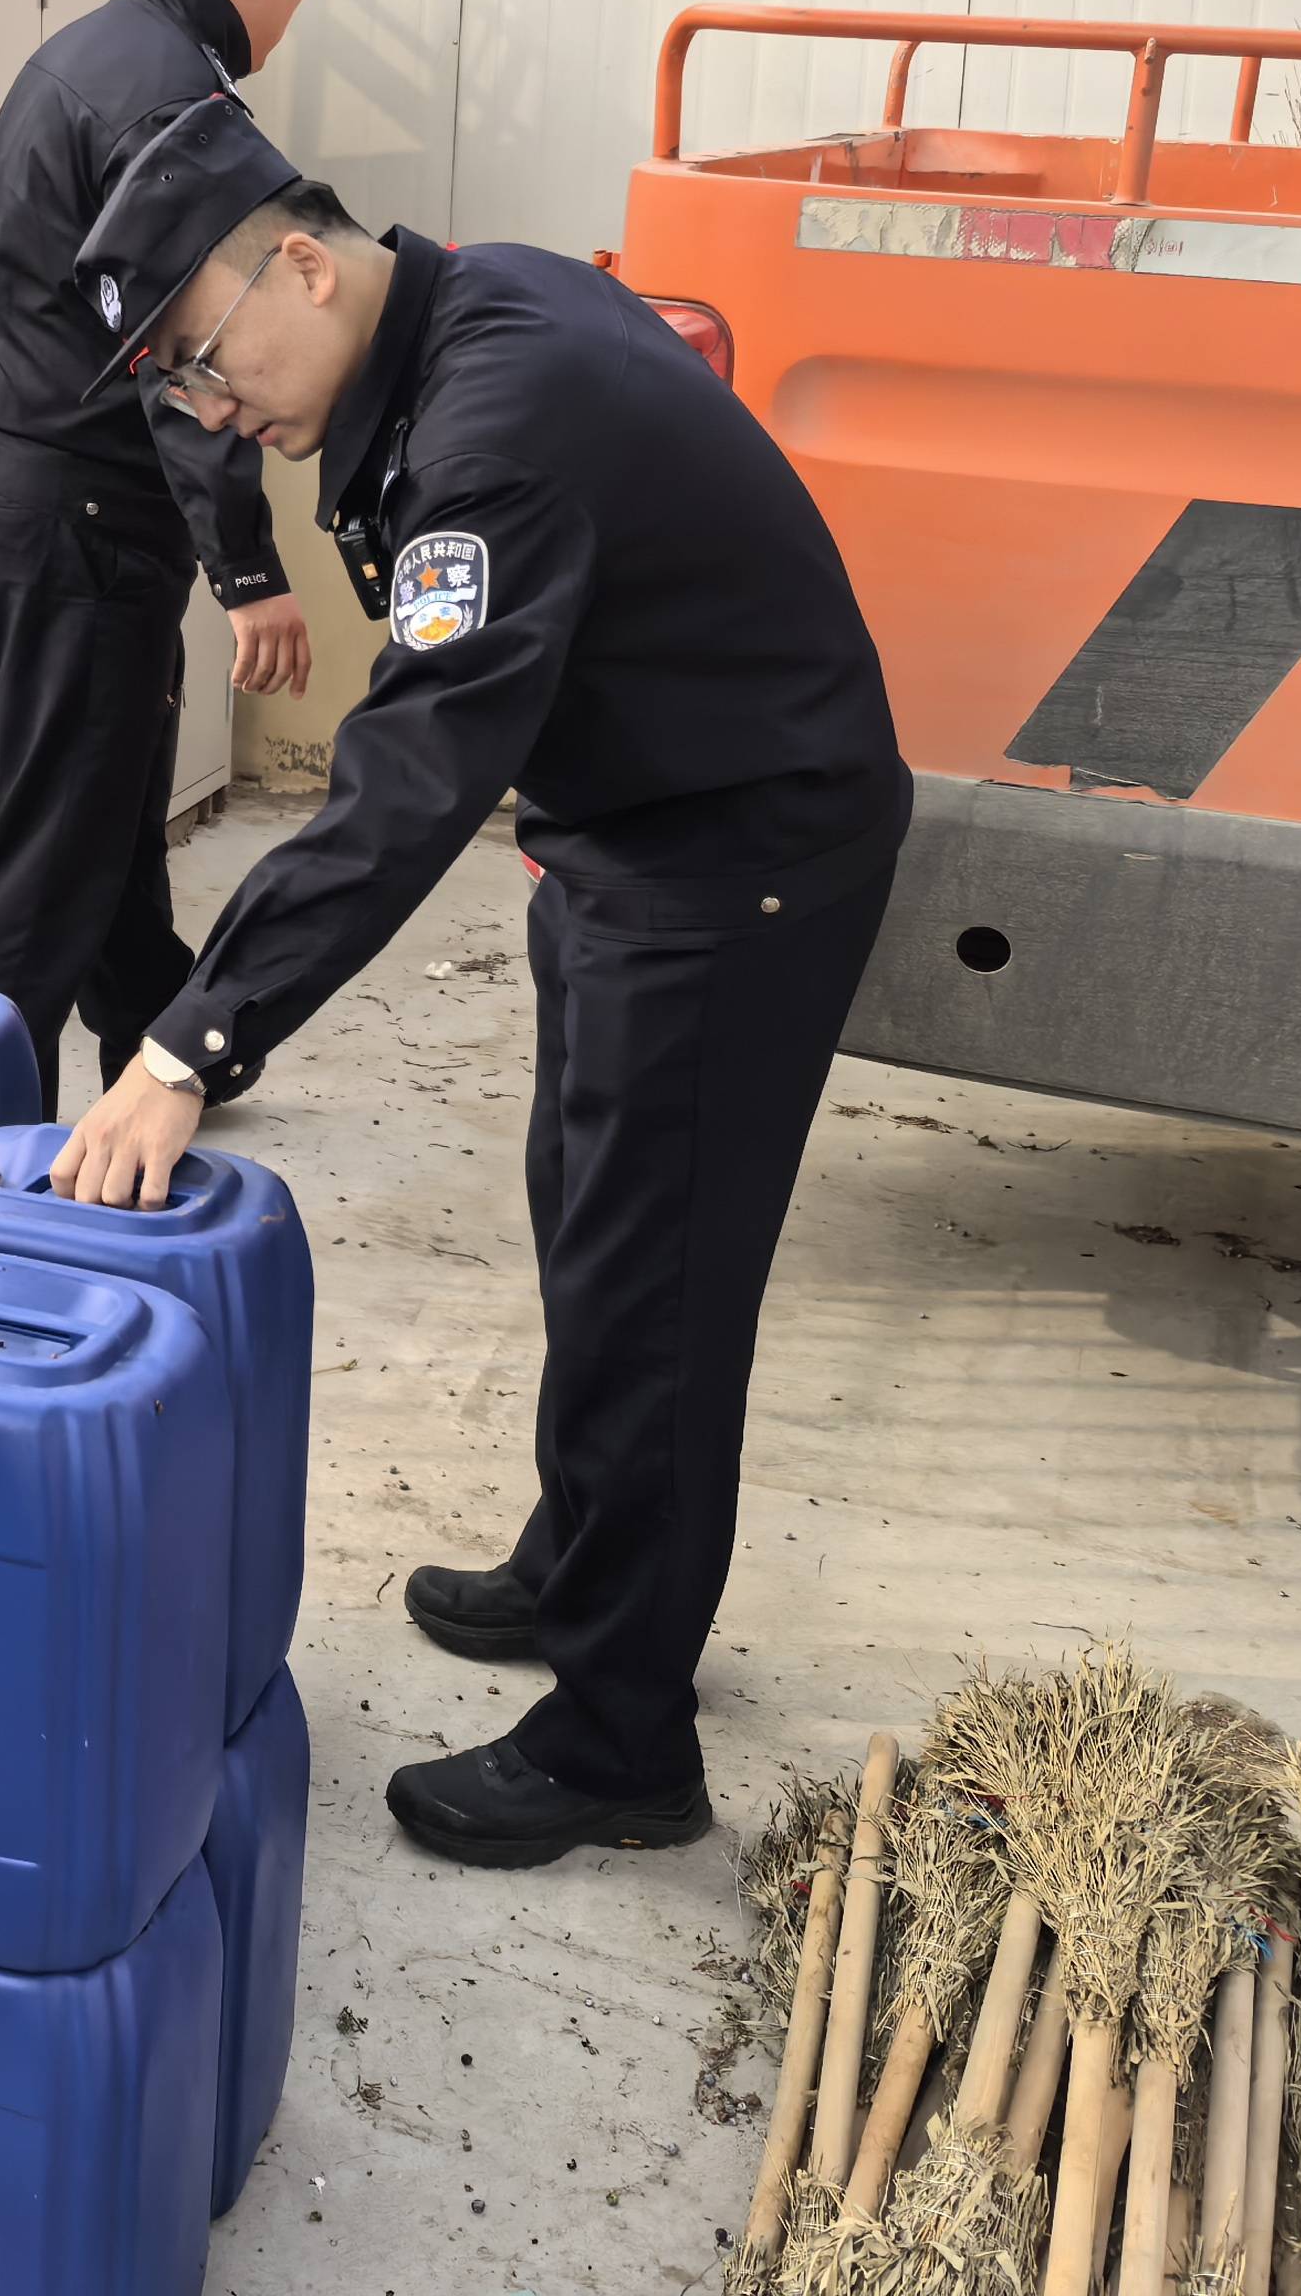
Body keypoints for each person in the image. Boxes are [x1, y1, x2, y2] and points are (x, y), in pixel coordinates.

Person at [44, 99, 908, 1873]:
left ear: (300, 263)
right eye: (177, 392)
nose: (213, 410)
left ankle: (621, 1742)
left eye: (203, 358)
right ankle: (584, 1564)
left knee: (653, 1298)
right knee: (589, 1227)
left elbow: (410, 776)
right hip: (634, 828)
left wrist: (190, 1041)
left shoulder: (500, 422)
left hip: (734, 856)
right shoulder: (461, 312)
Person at [0, 0, 339, 1110]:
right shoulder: (181, 108)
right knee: (58, 843)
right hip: (86, 514)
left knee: (101, 801)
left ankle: (156, 1044)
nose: (296, 3)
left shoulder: (83, 53)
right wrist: (249, 570)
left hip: (8, 479)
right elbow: (194, 356)